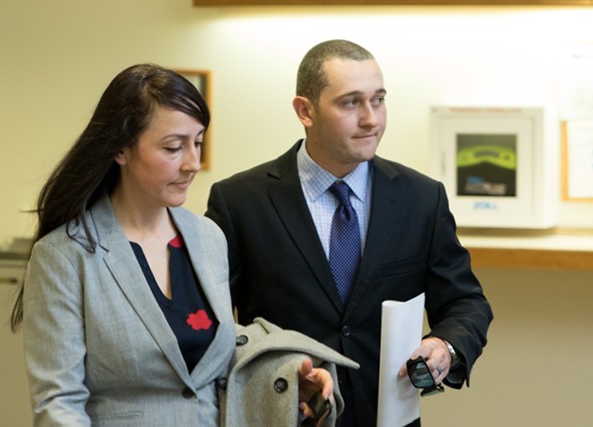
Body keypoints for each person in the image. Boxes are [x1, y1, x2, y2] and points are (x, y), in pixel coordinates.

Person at [9, 63, 358, 427]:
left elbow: (206, 355)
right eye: (174, 147)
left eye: (198, 143)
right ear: (121, 150)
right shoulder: (64, 256)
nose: (192, 163)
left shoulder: (207, 238)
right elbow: (58, 404)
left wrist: (285, 379)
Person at [205, 39, 493, 427]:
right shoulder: (239, 201)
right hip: (284, 415)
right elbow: (213, 323)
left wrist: (446, 346)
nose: (371, 119)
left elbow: (465, 301)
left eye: (378, 100)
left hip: (389, 417)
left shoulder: (422, 198)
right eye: (351, 102)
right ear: (305, 111)